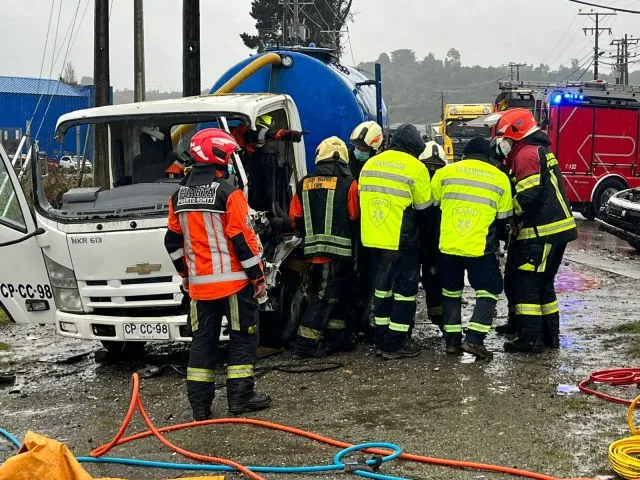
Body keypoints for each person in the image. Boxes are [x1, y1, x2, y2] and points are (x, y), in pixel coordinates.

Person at [164, 128, 271, 420]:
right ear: (219, 157)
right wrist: (258, 278)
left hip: (199, 289)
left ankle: (200, 407)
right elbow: (242, 240)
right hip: (235, 285)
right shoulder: (229, 193)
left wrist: (185, 275)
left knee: (202, 344)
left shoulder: (178, 197)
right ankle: (240, 399)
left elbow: (172, 242)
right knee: (243, 338)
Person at [492, 108, 578, 352]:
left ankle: (530, 339)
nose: (501, 143)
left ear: (516, 134)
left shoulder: (526, 154)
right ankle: (550, 337)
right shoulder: (535, 150)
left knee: (527, 283)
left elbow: (528, 197)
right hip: (554, 232)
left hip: (542, 234)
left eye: (504, 138)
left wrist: (506, 214)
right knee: (544, 284)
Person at [431, 137, 513, 360]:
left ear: (464, 154)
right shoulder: (500, 178)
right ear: (488, 156)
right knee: (489, 290)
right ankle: (475, 340)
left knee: (450, 292)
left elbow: (434, 204)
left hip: (448, 245)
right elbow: (503, 218)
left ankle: (452, 342)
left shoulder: (445, 173)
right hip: (480, 247)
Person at [359, 124, 431, 360]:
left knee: (381, 290)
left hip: (372, 239)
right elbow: (423, 209)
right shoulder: (416, 167)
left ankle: (381, 336)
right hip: (401, 240)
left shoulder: (370, 164)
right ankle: (395, 343)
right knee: (404, 293)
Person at [288, 137, 360, 358]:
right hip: (339, 253)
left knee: (332, 294)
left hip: (311, 253)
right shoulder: (350, 183)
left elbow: (294, 217)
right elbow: (354, 215)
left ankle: (337, 338)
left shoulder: (304, 183)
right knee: (325, 296)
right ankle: (305, 344)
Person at [348, 121, 384, 338]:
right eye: (357, 147)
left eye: (364, 149)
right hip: (354, 229)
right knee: (356, 279)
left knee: (370, 279)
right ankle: (355, 323)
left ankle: (363, 321)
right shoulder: (349, 164)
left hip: (372, 230)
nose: (359, 151)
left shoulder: (379, 166)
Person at [418, 141, 448, 334]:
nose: (432, 170)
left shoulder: (442, 185)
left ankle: (439, 318)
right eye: (429, 166)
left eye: (436, 167)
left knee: (434, 283)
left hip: (431, 244)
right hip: (416, 242)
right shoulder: (415, 180)